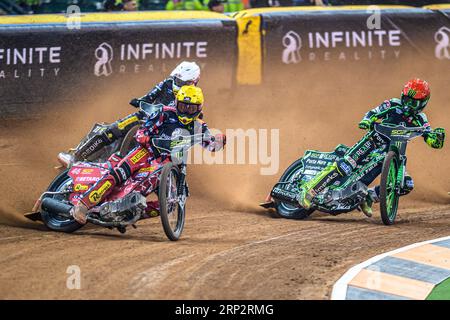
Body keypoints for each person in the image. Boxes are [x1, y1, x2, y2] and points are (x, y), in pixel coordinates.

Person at [70, 85, 226, 224]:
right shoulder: (164, 113)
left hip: (167, 162)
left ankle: (128, 213)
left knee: (169, 203)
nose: (186, 111)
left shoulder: (199, 126)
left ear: (199, 109)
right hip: (145, 152)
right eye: (183, 106)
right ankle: (83, 205)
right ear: (176, 103)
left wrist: (220, 141)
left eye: (191, 108)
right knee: (119, 173)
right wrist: (144, 137)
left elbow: (210, 145)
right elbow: (142, 131)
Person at [298, 79, 446, 217]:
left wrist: (437, 138)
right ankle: (309, 190)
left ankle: (369, 197)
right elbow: (373, 113)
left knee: (406, 184)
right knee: (346, 166)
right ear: (402, 96)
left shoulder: (421, 119)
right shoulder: (392, 104)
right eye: (406, 100)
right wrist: (367, 120)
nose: (408, 106)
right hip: (373, 141)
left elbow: (430, 138)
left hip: (392, 152)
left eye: (413, 103)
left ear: (422, 104)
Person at [57, 61, 201, 167]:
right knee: (112, 129)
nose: (177, 83)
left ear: (193, 82)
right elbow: (151, 95)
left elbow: (197, 112)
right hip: (144, 116)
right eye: (177, 80)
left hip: (163, 130)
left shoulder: (195, 96)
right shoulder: (167, 83)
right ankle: (76, 157)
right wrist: (140, 101)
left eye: (181, 81)